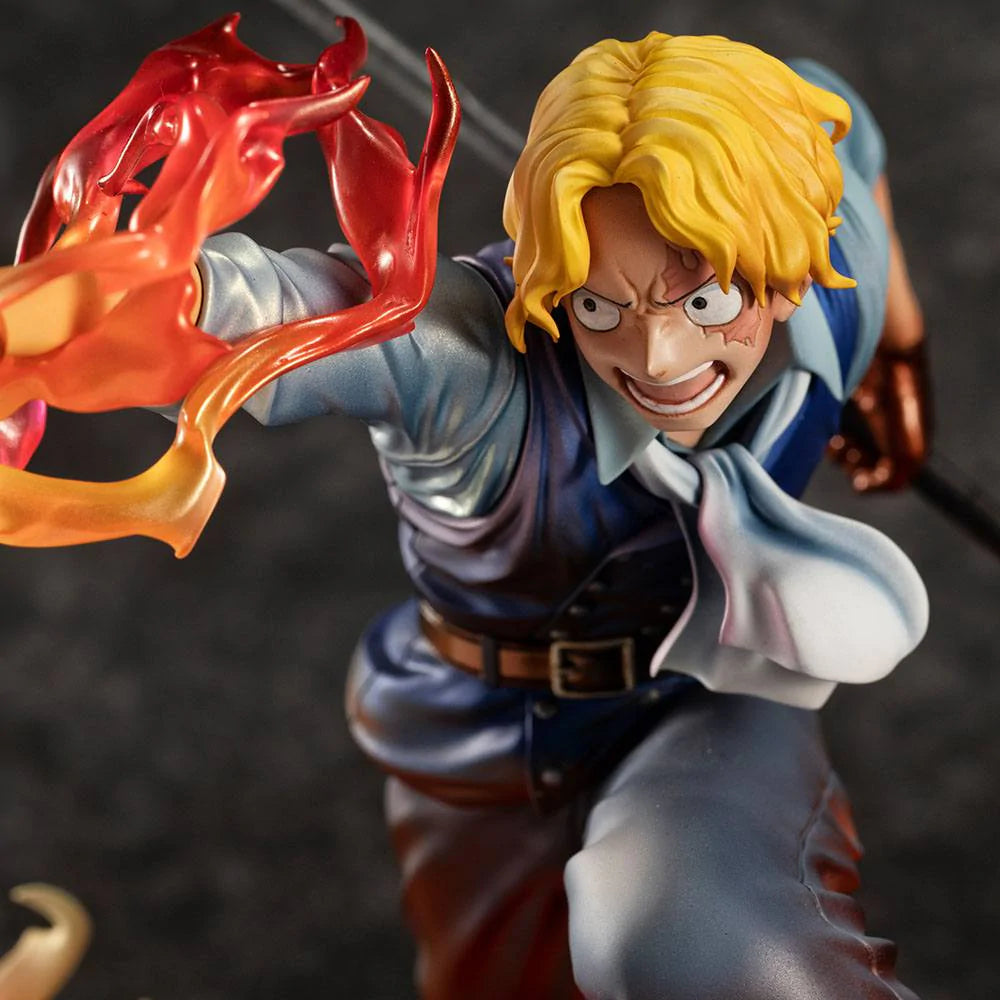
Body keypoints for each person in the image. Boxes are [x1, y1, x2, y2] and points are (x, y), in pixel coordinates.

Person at [2, 29, 931, 1000]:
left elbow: (843, 125)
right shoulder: (474, 361)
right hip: (482, 738)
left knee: (694, 936)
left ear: (784, 257)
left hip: (706, 706)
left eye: (701, 303)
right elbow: (268, 312)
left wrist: (901, 352)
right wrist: (114, 300)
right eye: (600, 308)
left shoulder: (828, 272)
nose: (658, 359)